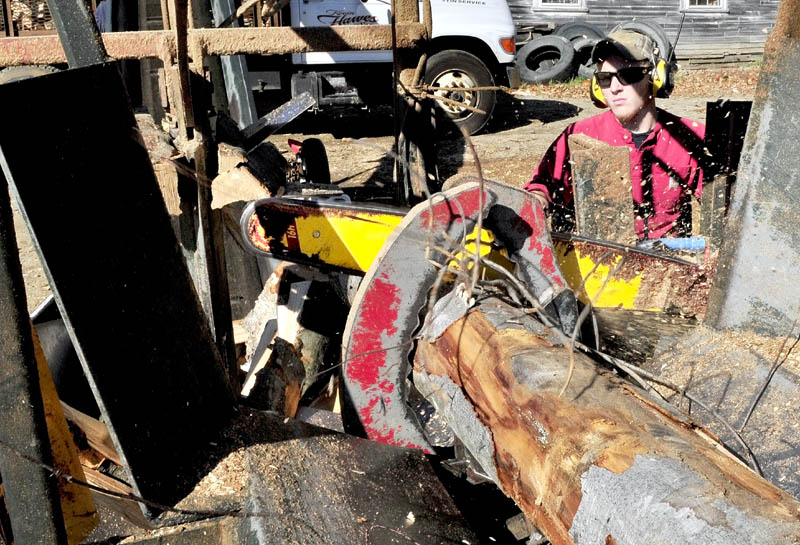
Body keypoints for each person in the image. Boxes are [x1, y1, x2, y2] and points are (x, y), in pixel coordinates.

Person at [525, 29, 706, 240]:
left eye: (628, 75)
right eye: (604, 78)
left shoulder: (687, 136)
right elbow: (542, 188)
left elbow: (724, 205)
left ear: (656, 77)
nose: (614, 88)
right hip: (598, 263)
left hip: (666, 264)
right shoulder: (579, 135)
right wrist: (534, 203)